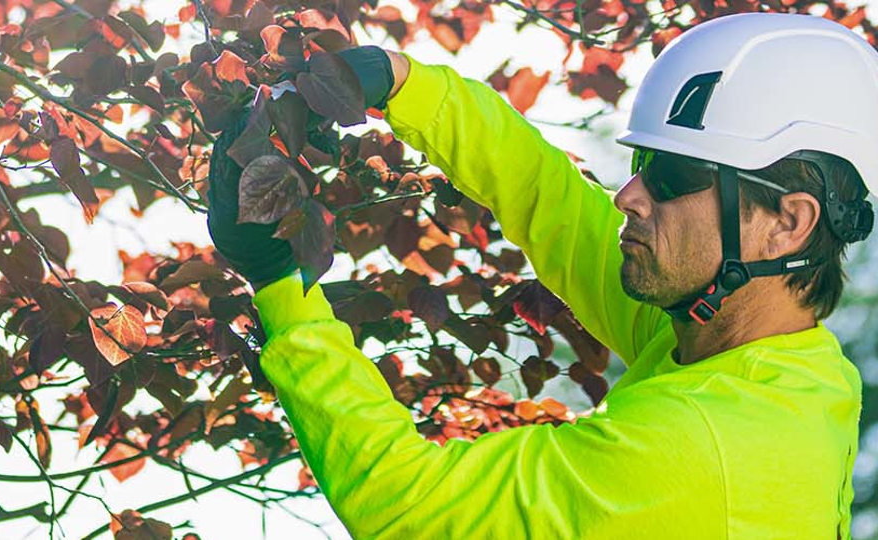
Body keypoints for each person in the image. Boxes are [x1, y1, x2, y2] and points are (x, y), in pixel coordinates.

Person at [206, 12, 876, 539]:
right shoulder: (773, 363)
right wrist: (401, 80)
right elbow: (551, 201)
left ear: (788, 222)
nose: (629, 196)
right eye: (643, 165)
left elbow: (407, 505)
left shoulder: (699, 444)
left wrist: (278, 281)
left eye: (673, 179)